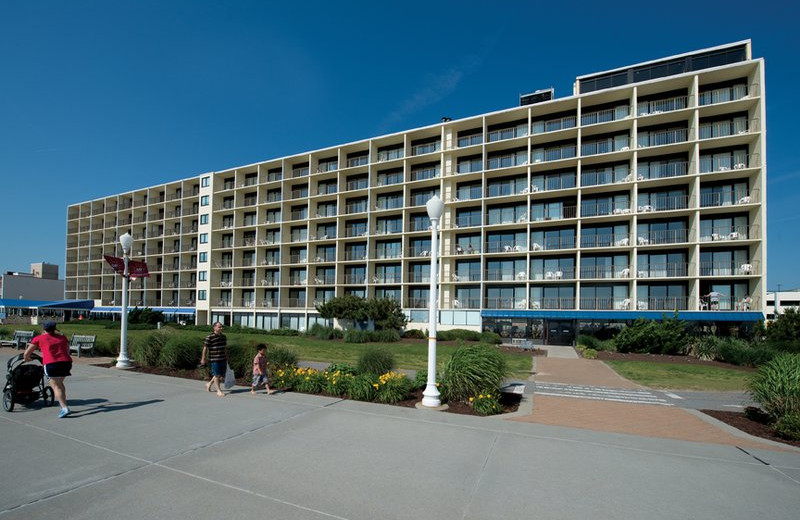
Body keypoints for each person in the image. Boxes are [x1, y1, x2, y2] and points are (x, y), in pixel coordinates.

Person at [23, 321, 72, 418]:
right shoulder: (62, 337)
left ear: (44, 328)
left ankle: (64, 408)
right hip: (66, 362)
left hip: (51, 363)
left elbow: (27, 353)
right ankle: (64, 403)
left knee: (56, 386)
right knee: (60, 384)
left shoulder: (39, 338)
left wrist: (26, 359)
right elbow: (67, 350)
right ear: (55, 328)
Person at [200, 322, 228, 397]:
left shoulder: (223, 337)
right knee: (217, 375)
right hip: (214, 359)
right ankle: (218, 391)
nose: (221, 328)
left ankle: (209, 384)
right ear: (214, 327)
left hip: (222, 358)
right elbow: (205, 348)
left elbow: (224, 348)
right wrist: (203, 359)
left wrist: (226, 356)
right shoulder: (209, 337)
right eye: (219, 327)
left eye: (221, 327)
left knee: (220, 375)